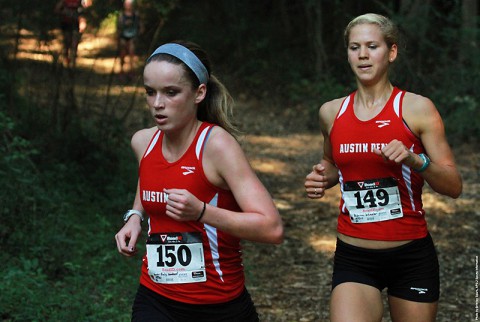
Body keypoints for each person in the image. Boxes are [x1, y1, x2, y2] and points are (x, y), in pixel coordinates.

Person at [304, 13, 462, 322]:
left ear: (391, 52)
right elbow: (332, 163)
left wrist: (417, 160)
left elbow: (454, 186)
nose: (362, 54)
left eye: (372, 46)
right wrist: (322, 177)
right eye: (354, 47)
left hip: (410, 254)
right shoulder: (331, 112)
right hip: (354, 255)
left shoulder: (417, 108)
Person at [115, 40, 284, 321]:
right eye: (150, 92)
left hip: (217, 304)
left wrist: (203, 212)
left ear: (199, 93)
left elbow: (272, 228)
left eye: (171, 92)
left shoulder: (218, 147)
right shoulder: (143, 142)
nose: (157, 104)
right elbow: (151, 180)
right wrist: (135, 215)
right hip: (155, 298)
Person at [54, 0, 91, 67]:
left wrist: (82, 21)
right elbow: (57, 9)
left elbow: (86, 7)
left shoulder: (80, 1)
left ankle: (73, 64)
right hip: (66, 24)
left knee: (74, 44)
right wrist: (64, 12)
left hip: (75, 24)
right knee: (67, 43)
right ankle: (66, 63)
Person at [117, 0, 143, 80]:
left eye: (129, 4)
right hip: (123, 36)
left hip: (133, 36)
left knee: (132, 53)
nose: (128, 6)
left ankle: (131, 71)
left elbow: (140, 25)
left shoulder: (136, 15)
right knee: (123, 53)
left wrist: (139, 33)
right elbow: (119, 27)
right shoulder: (121, 15)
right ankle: (122, 71)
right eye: (126, 4)